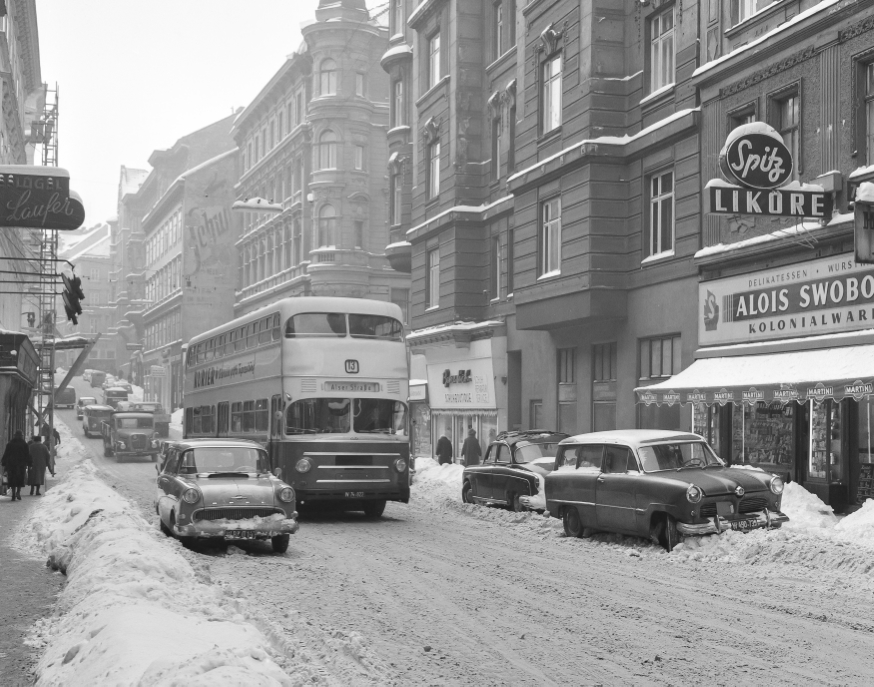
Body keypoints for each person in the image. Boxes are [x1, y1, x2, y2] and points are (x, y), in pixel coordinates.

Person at [1, 430, 32, 501]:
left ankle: (13, 494)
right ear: (21, 436)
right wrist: (30, 463)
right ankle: (18, 492)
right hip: (21, 465)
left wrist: (4, 462)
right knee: (20, 479)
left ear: (14, 436)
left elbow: (6, 453)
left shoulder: (10, 444)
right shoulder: (24, 444)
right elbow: (27, 454)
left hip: (11, 465)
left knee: (12, 479)